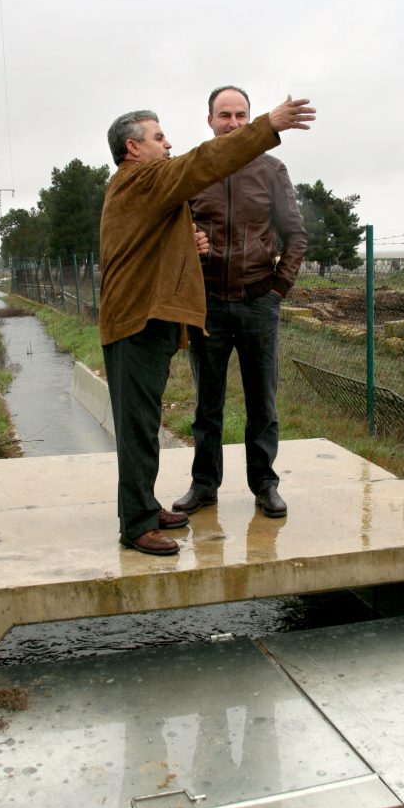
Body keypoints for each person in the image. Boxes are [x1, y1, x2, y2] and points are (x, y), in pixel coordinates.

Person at [100, 95, 315, 556]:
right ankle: (138, 523)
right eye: (159, 137)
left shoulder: (151, 181)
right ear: (133, 148)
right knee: (143, 427)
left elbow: (152, 237)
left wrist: (191, 242)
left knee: (151, 423)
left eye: (243, 116)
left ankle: (150, 506)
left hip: (197, 311)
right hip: (142, 319)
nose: (168, 144)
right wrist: (268, 124)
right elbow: (202, 163)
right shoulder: (144, 178)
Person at [173, 86, 308, 520]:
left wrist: (277, 290)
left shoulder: (271, 169)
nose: (233, 123)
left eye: (241, 115)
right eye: (224, 115)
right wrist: (188, 246)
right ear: (209, 120)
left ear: (250, 119)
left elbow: (296, 235)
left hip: (258, 303)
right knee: (206, 405)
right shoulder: (193, 169)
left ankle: (265, 485)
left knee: (262, 404)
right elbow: (173, 230)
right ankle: (204, 485)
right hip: (208, 305)